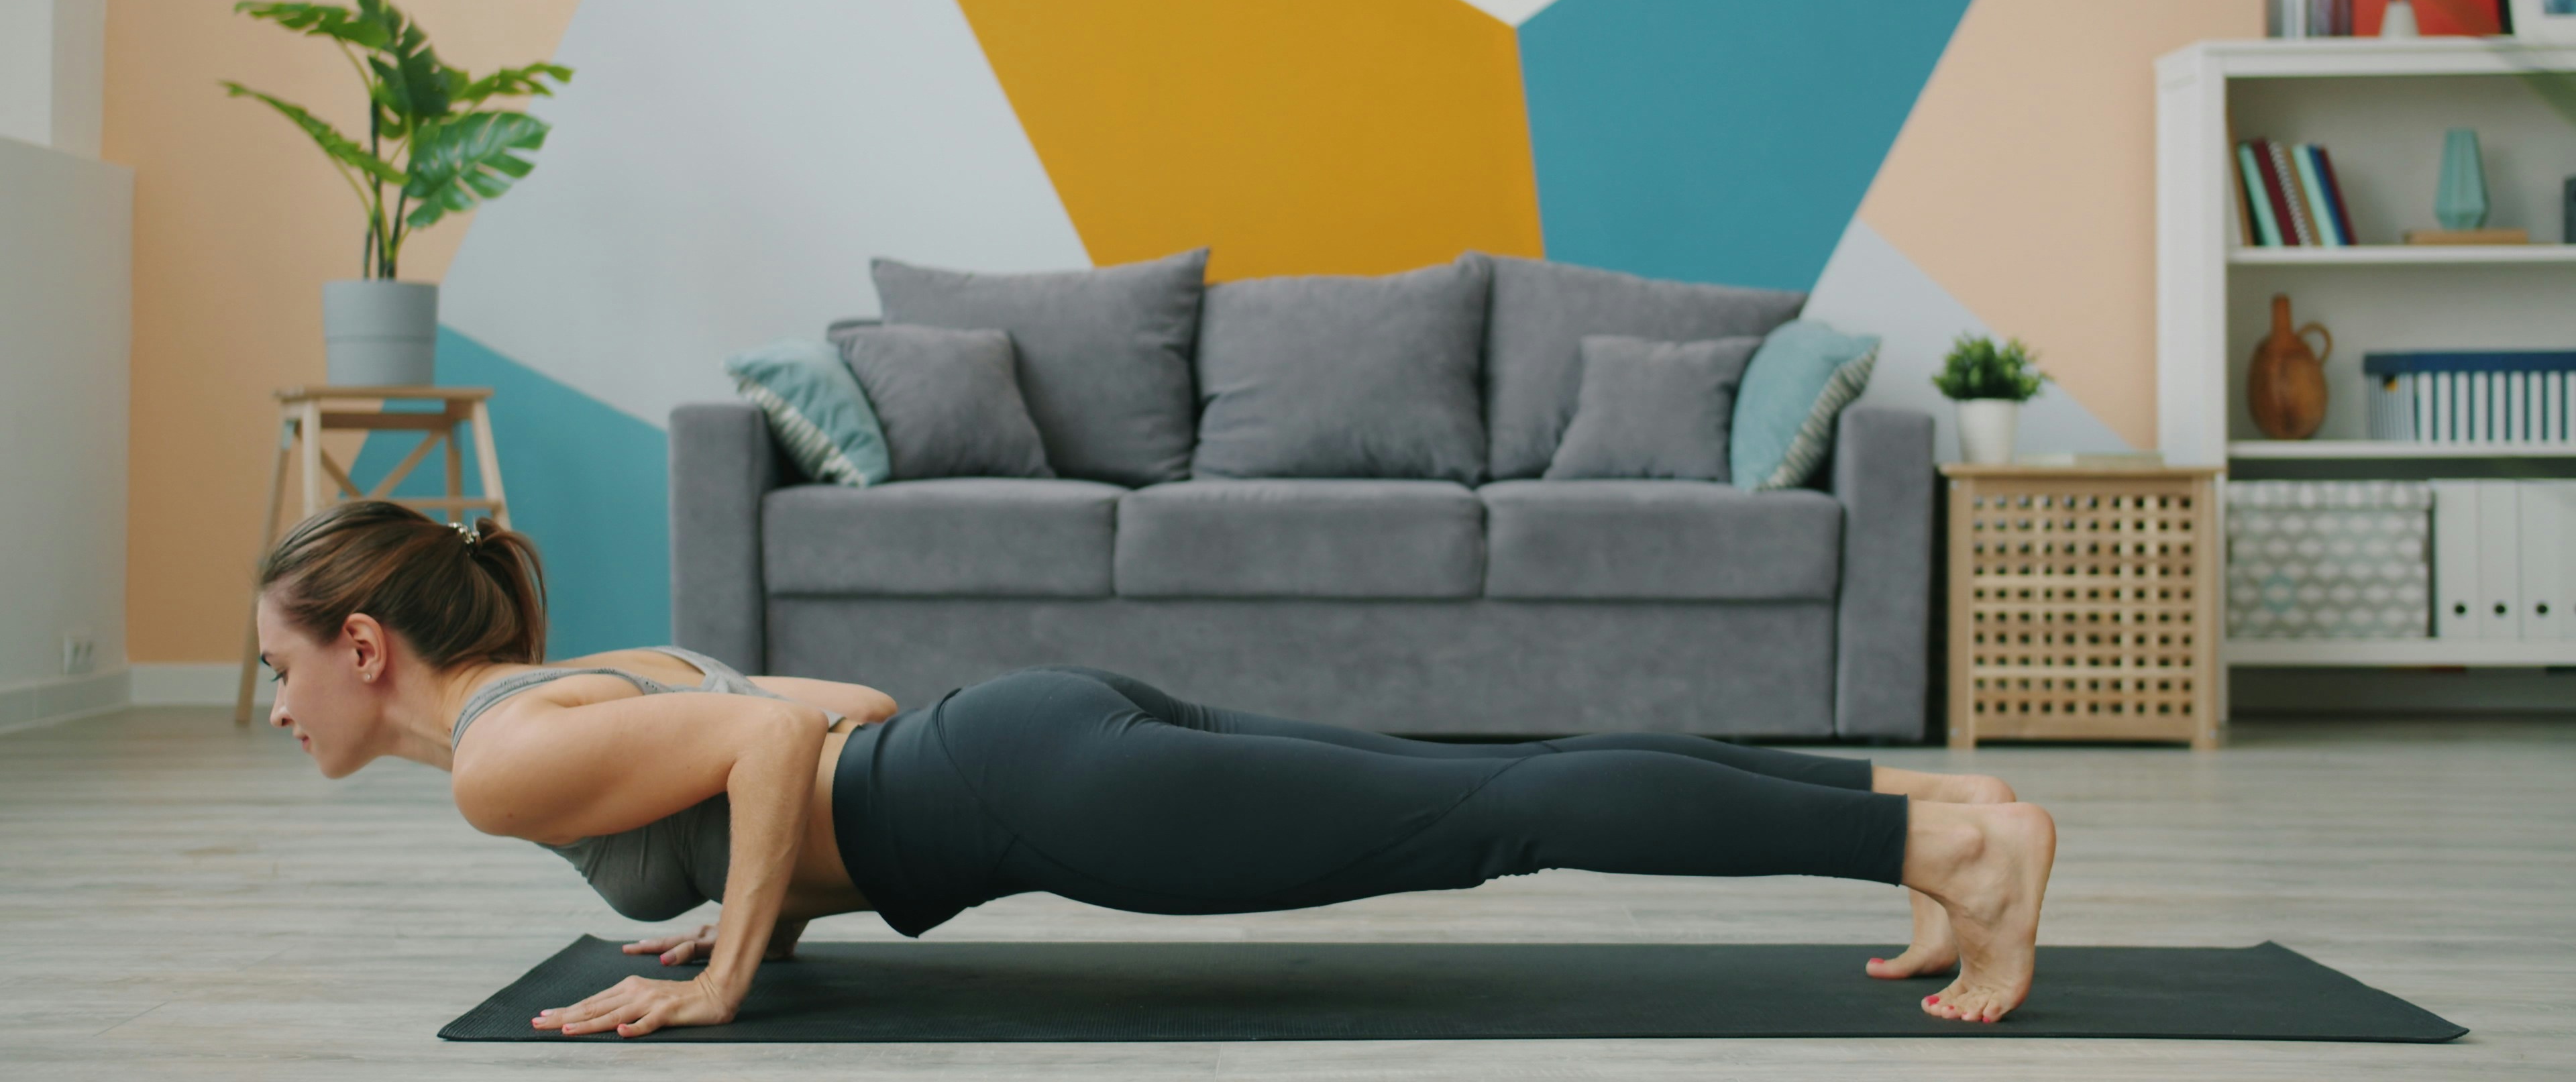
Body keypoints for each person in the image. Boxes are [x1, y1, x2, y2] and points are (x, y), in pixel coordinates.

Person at [256, 500, 2055, 1039]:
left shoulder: (499, 761)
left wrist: (724, 972)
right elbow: (839, 710)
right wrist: (779, 894)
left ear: (364, 648)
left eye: (278, 667)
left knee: (1494, 815)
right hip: (1024, 731)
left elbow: (773, 736)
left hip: (1044, 791)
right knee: (1494, 773)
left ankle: (1958, 853)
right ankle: (1934, 822)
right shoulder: (576, 682)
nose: (273, 706)